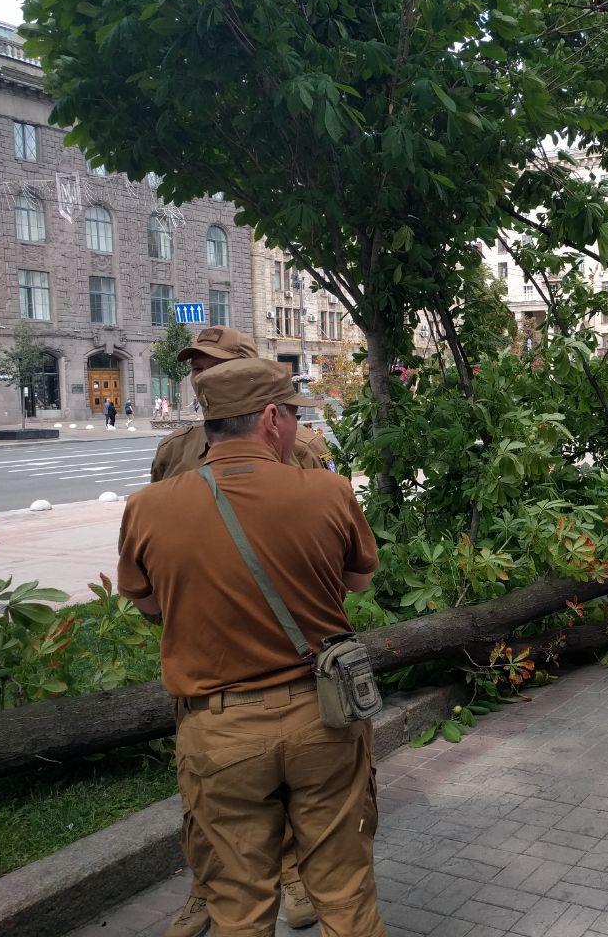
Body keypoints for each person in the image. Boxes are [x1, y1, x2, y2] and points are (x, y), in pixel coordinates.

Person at [118, 358, 382, 937]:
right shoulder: (328, 491)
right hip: (324, 720)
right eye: (292, 416)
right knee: (344, 891)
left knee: (237, 905)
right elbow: (358, 582)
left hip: (219, 732)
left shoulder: (147, 508)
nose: (297, 431)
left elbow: (148, 605)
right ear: (269, 418)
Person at [149, 327, 333, 937]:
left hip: (286, 653)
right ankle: (206, 888)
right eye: (196, 365)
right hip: (205, 658)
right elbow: (154, 553)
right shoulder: (177, 451)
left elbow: (331, 550)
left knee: (286, 778)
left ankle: (291, 873)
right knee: (206, 792)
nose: (201, 374)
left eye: (214, 364)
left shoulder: (301, 446)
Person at [152, 327, 335, 483]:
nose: (203, 379)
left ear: (252, 371)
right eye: (197, 369)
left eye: (219, 369)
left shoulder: (303, 448)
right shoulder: (173, 450)